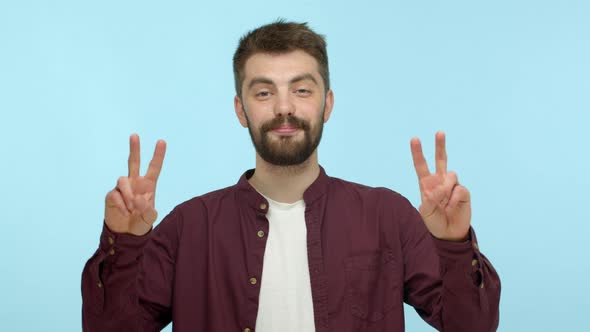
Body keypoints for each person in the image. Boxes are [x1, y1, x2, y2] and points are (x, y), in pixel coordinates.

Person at [81, 20, 500, 332]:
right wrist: (126, 243)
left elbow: (471, 326)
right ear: (240, 109)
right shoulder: (188, 227)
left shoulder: (387, 215)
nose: (284, 107)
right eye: (264, 92)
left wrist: (452, 245)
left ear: (327, 104)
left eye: (302, 90)